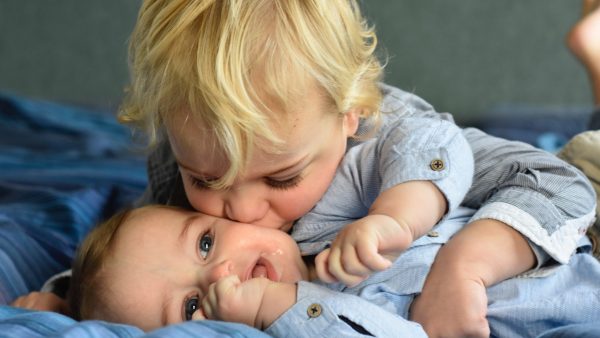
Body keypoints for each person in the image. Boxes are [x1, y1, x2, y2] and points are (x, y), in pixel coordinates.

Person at [12, 1, 598, 337]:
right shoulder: (183, 168)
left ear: (350, 115)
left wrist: (466, 267)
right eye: (205, 180)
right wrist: (68, 298)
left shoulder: (391, 137)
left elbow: (555, 185)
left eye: (281, 178)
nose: (236, 209)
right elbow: (143, 253)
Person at [68, 204, 600, 337]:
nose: (221, 273)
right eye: (189, 306)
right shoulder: (299, 323)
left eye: (207, 241)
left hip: (568, 234)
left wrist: (59, 289)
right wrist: (272, 307)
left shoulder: (339, 212)